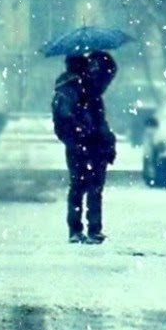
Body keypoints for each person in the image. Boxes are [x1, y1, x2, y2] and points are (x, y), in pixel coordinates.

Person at [51, 50, 118, 244]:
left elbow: (94, 119)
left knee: (80, 186)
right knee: (90, 187)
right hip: (87, 143)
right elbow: (95, 120)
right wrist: (89, 133)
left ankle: (78, 229)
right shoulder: (79, 89)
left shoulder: (74, 89)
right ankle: (89, 229)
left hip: (82, 143)